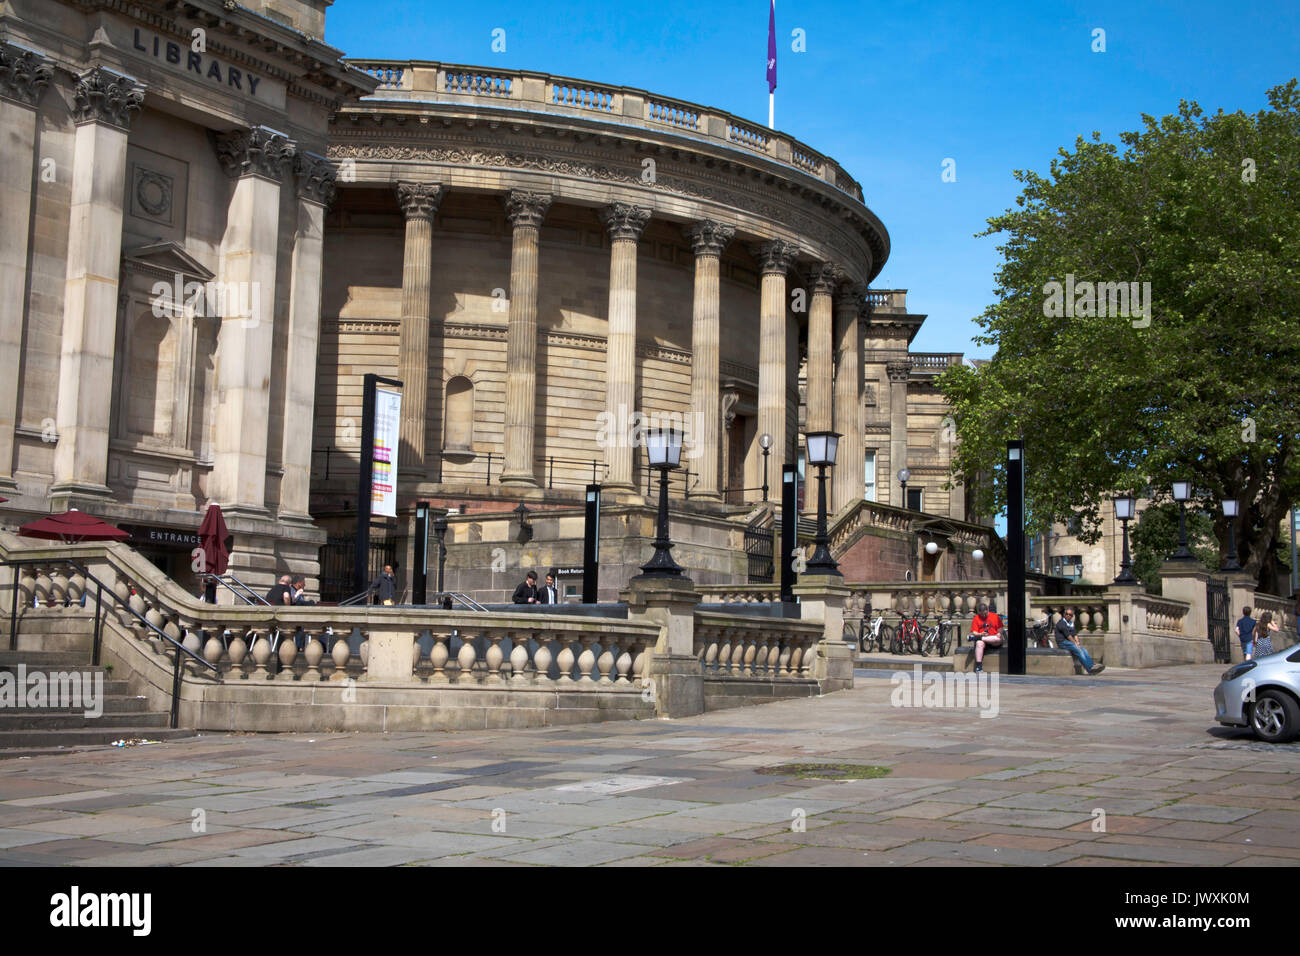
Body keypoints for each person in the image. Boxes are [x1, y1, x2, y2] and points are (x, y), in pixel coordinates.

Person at [1055, 607, 1105, 675]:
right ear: (1064, 614)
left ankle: (1092, 665)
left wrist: (1077, 642)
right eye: (1067, 614)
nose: (1068, 616)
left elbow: (1075, 634)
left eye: (1070, 615)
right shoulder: (1061, 623)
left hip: (1069, 642)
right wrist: (1075, 643)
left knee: (1084, 649)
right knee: (1078, 650)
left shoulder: (1071, 623)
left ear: (1072, 616)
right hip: (1062, 642)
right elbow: (1068, 636)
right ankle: (1089, 668)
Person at [969, 603, 1002, 673]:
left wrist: (999, 633)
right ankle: (979, 666)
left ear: (988, 610)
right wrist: (980, 634)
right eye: (982, 614)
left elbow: (1000, 629)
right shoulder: (976, 618)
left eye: (985, 614)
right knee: (979, 643)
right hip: (983, 638)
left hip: (993, 639)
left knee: (998, 639)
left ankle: (976, 638)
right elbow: (974, 632)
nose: (983, 616)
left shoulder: (995, 616)